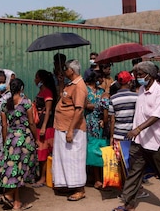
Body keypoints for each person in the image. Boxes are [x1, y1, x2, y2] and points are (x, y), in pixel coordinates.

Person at [112, 61, 160, 211]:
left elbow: (156, 116)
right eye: (136, 75)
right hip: (140, 141)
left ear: (150, 76)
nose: (138, 78)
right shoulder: (142, 90)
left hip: (155, 140)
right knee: (134, 172)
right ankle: (128, 203)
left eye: (141, 75)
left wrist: (138, 129)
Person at [0, 78, 38, 211]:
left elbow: (4, 125)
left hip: (10, 139)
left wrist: (5, 141)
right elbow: (31, 123)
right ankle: (9, 196)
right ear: (21, 89)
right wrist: (36, 138)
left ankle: (17, 202)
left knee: (14, 170)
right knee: (20, 170)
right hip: (24, 139)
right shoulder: (26, 103)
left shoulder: (5, 105)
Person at [52, 60, 88, 202]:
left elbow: (79, 110)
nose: (64, 71)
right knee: (64, 158)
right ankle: (68, 184)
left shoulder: (79, 86)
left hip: (72, 128)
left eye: (65, 69)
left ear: (71, 70)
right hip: (62, 126)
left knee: (74, 159)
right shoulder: (70, 84)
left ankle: (79, 189)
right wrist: (61, 83)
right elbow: (63, 96)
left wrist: (71, 130)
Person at [83, 70, 108, 188]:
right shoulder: (85, 90)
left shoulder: (102, 91)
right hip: (89, 123)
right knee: (91, 149)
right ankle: (94, 177)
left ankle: (101, 176)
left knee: (100, 148)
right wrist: (100, 106)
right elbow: (85, 105)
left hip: (101, 123)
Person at [32, 69, 57, 188]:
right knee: (40, 153)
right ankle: (41, 176)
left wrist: (43, 127)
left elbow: (48, 111)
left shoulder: (47, 92)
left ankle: (43, 178)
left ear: (41, 80)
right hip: (39, 125)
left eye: (36, 77)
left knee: (43, 153)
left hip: (45, 126)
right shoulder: (41, 92)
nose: (35, 80)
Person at [107, 71, 137, 142]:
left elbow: (112, 120)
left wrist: (111, 137)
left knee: (120, 153)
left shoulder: (113, 98)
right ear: (129, 82)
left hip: (118, 135)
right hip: (133, 135)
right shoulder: (136, 97)